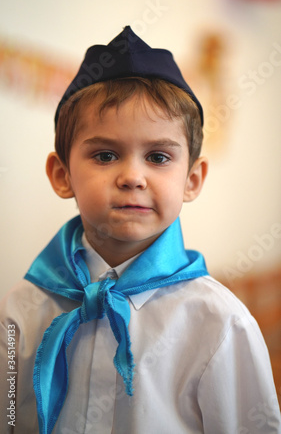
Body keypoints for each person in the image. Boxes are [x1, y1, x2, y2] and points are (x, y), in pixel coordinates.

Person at [0, 26, 280, 434]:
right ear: (62, 175)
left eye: (158, 156)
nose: (132, 176)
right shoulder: (21, 310)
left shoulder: (220, 324)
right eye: (106, 154)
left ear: (192, 180)